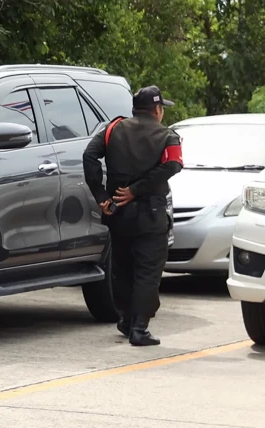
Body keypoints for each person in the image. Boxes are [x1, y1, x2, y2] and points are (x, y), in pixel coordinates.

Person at [82, 85, 183, 347]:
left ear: (135, 109)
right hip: (150, 213)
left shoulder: (113, 129)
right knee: (148, 272)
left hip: (117, 212)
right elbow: (174, 165)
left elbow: (89, 156)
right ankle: (139, 328)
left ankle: (126, 319)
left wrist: (102, 195)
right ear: (158, 110)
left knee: (122, 268)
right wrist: (137, 191)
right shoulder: (167, 136)